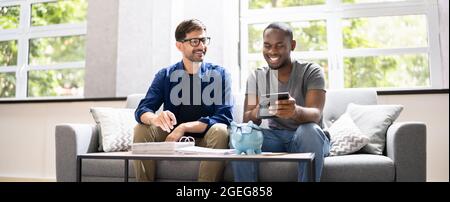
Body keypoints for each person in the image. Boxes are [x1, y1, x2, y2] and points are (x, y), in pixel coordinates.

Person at [133, 19, 233, 182]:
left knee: (221, 129)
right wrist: (156, 118)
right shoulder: (164, 75)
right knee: (141, 128)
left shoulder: (221, 74)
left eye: (204, 40)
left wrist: (183, 127)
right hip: (170, 138)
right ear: (179, 45)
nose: (201, 46)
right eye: (195, 41)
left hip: (206, 137)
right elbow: (143, 110)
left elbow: (224, 116)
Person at [232, 22, 330, 182]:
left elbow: (315, 113)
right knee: (243, 134)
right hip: (274, 138)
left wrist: (295, 111)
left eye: (279, 46)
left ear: (292, 45)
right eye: (267, 46)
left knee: (309, 131)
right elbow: (247, 118)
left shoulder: (311, 71)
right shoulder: (256, 77)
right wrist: (258, 110)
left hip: (307, 138)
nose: (272, 51)